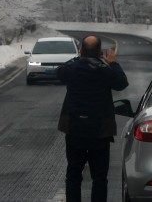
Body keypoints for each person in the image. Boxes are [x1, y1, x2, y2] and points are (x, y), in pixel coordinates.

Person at [56, 35, 129, 202]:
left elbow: (59, 72)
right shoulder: (105, 70)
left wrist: (78, 58)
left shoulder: (72, 69)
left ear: (81, 50)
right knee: (100, 178)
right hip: (100, 131)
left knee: (73, 175)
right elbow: (122, 83)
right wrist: (113, 62)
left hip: (75, 129)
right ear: (99, 51)